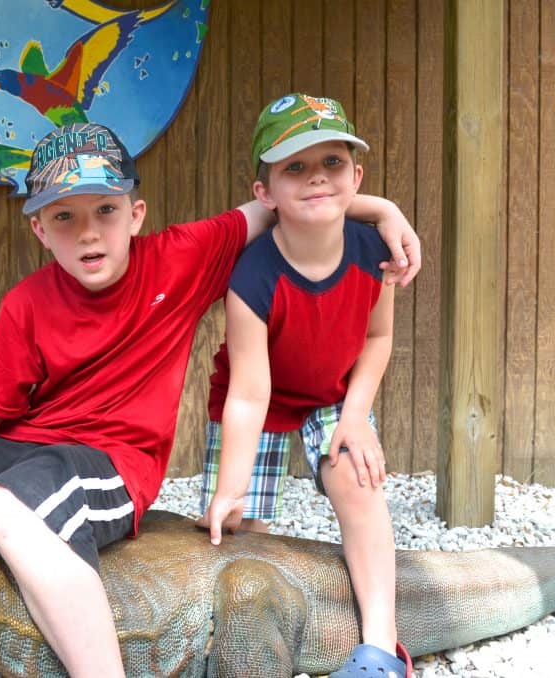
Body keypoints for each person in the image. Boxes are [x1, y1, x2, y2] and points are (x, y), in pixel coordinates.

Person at [0, 122, 420, 677]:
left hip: (112, 458)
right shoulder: (27, 302)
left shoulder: (180, 258)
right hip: (27, 448)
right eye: (65, 216)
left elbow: (288, 204)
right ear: (40, 229)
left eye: (105, 211)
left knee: (7, 504)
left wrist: (382, 212)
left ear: (135, 214)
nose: (89, 233)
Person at [198, 94, 413, 678]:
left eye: (333, 162)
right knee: (239, 531)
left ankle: (380, 646)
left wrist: (354, 419)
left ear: (356, 175)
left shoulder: (377, 254)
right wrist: (230, 488)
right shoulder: (253, 275)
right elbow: (248, 393)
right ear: (264, 191)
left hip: (333, 395)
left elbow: (378, 340)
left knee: (359, 480)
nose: (317, 175)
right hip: (257, 400)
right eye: (294, 166)